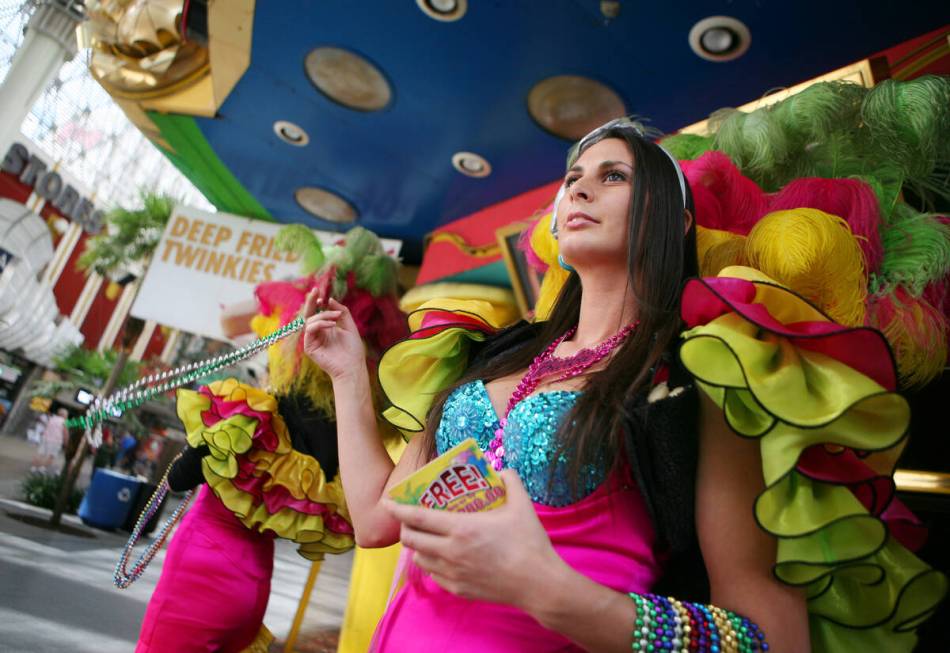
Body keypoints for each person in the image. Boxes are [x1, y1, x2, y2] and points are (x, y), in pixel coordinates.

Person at [302, 118, 945, 652]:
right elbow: (377, 520)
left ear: (678, 221)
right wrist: (348, 374)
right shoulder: (492, 355)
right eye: (572, 179)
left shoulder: (700, 375)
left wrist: (547, 589)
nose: (579, 191)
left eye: (614, 176)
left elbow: (771, 638)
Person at [31, 407, 68, 473]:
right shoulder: (64, 422)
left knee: (40, 453)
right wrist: (66, 442)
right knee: (51, 455)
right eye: (66, 415)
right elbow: (65, 433)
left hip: (45, 438)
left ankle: (33, 467)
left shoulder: (52, 418)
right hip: (56, 441)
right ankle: (42, 468)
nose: (66, 416)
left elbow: (46, 427)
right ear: (64, 415)